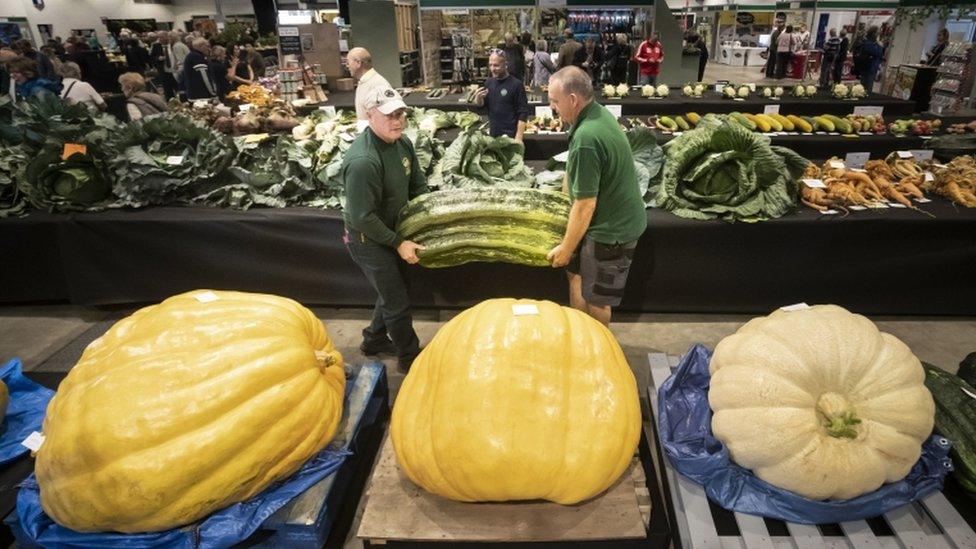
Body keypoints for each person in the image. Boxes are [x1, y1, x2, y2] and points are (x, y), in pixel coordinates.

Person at [544, 67, 646, 326]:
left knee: (597, 299)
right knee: (576, 276)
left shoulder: (587, 137)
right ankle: (579, 337)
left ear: (573, 100)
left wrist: (566, 249)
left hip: (611, 232)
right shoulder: (597, 113)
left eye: (555, 101)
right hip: (607, 222)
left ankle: (598, 352)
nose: (552, 107)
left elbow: (586, 204)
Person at [341, 86, 428, 372]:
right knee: (398, 301)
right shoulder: (363, 161)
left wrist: (421, 219)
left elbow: (417, 184)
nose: (398, 120)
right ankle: (409, 358)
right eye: (390, 115)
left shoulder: (402, 143)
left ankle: (373, 340)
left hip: (393, 230)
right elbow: (363, 217)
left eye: (401, 113)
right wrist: (398, 242)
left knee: (393, 292)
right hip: (367, 239)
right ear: (370, 116)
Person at [473, 51, 530, 141]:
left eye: (496, 65)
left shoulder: (516, 85)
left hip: (511, 136)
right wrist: (479, 101)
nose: (492, 69)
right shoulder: (488, 83)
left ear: (505, 64)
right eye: (490, 65)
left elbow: (523, 113)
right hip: (493, 135)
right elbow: (485, 108)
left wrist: (519, 137)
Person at [349, 47, 392, 121]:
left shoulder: (378, 84)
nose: (348, 66)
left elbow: (388, 117)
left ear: (358, 63)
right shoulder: (364, 82)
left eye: (348, 62)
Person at [150, 31, 179, 100]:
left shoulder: (173, 45)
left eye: (162, 37)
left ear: (167, 36)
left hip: (174, 69)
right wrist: (158, 58)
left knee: (177, 85)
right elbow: (152, 58)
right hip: (163, 70)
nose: (160, 39)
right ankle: (171, 102)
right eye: (159, 37)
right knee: (167, 87)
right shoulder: (156, 46)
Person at [855, 26, 884, 93]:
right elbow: (878, 53)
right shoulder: (868, 43)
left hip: (867, 67)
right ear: (874, 33)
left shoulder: (867, 42)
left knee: (865, 86)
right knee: (867, 87)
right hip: (869, 68)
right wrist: (880, 46)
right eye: (878, 33)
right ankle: (864, 101)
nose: (878, 34)